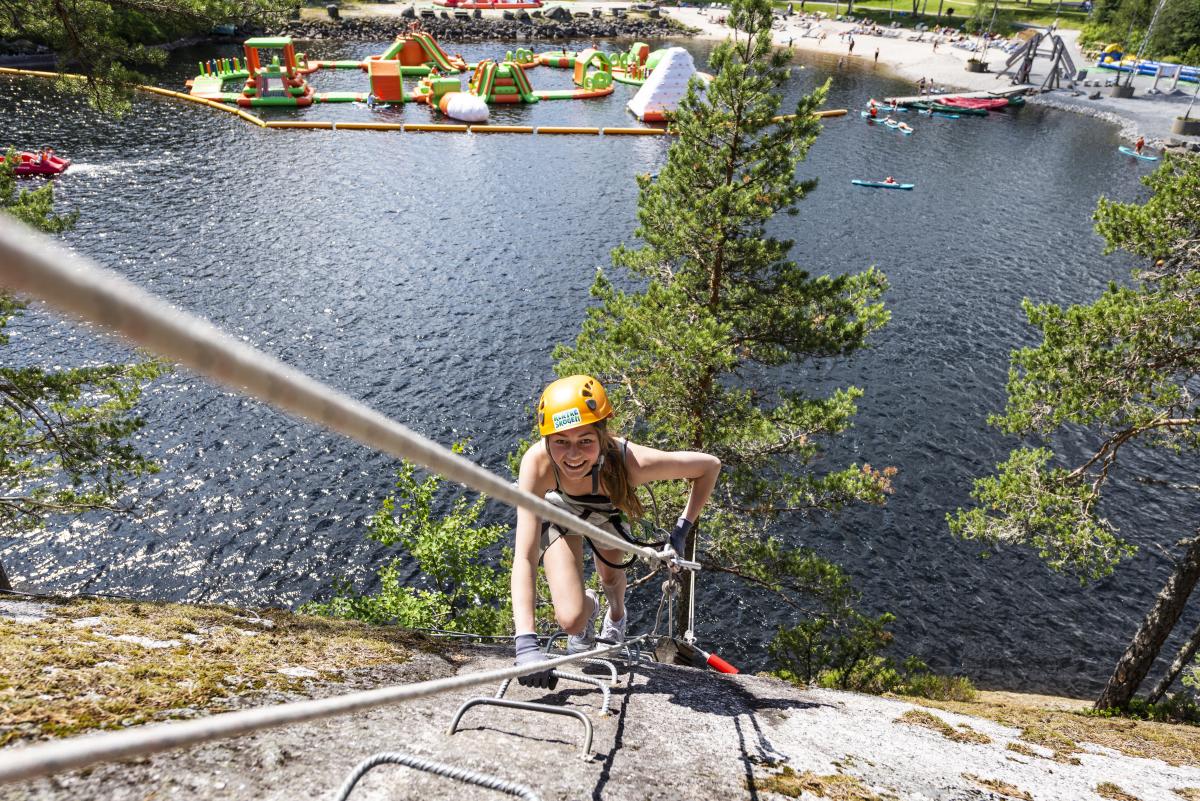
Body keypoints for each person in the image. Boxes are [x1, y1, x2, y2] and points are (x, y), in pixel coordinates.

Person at [512, 375, 722, 688]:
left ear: (602, 437)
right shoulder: (538, 464)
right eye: (561, 442)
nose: (573, 455)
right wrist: (526, 642)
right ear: (547, 440)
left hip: (604, 515)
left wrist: (681, 531)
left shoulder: (629, 463)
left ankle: (615, 617)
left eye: (585, 441)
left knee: (610, 577)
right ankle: (588, 609)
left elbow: (708, 467)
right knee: (571, 621)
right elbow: (525, 557)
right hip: (558, 515)